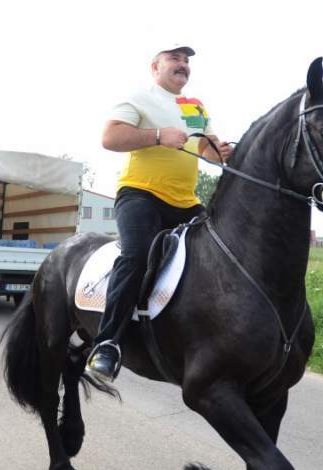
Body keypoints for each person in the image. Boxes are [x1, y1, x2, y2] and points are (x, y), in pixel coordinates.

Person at [85, 43, 235, 383]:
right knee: (137, 255)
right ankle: (107, 344)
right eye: (174, 59)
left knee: (223, 251)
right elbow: (109, 138)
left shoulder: (194, 105)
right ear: (155, 67)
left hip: (185, 201)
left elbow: (206, 149)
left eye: (186, 61)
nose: (182, 64)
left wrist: (221, 152)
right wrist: (156, 135)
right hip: (141, 195)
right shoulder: (140, 98)